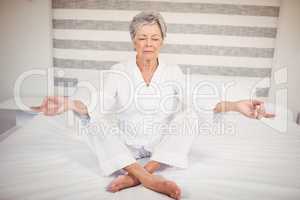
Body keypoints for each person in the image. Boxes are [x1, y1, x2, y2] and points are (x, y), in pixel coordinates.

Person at [32, 11, 274, 200]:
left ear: (163, 41)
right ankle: (149, 179)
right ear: (133, 41)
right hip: (127, 144)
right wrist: (68, 103)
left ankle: (141, 172)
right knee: (94, 121)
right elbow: (97, 104)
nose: (149, 43)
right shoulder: (118, 71)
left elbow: (199, 102)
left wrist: (237, 105)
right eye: (142, 38)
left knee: (190, 115)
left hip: (160, 146)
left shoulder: (173, 71)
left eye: (155, 38)